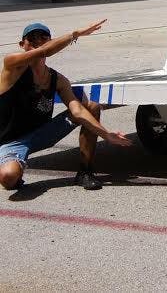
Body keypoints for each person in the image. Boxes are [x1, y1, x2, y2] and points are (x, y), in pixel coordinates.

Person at [0, 21, 132, 191]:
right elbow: (45, 51)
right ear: (22, 44)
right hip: (12, 141)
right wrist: (75, 33)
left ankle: (85, 172)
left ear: (50, 40)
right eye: (31, 38)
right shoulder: (12, 65)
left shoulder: (58, 80)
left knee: (91, 107)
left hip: (43, 134)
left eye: (42, 37)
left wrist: (106, 134)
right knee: (8, 178)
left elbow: (77, 111)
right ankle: (14, 166)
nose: (37, 41)